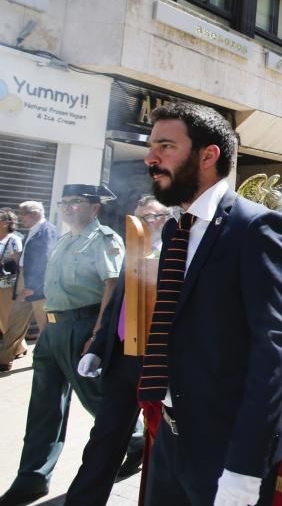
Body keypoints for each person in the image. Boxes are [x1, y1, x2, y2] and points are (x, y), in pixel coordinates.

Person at [140, 102, 282, 505]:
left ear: (208, 155)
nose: (150, 158)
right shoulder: (176, 228)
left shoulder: (257, 227)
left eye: (165, 146)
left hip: (227, 448)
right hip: (172, 439)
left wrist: (243, 469)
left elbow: (273, 350)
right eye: (151, 145)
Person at [0, 185, 124, 506]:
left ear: (94, 208)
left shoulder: (104, 239)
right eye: (64, 203)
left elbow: (112, 285)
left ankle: (134, 435)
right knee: (43, 406)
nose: (68, 208)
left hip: (82, 326)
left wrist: (98, 334)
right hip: (53, 329)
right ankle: (32, 478)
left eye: (76, 203)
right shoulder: (64, 239)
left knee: (96, 399)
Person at [65, 196, 172, 505]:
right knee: (105, 439)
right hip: (122, 360)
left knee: (166, 444)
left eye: (147, 218)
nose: (138, 225)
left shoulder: (177, 257)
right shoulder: (131, 255)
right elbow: (115, 308)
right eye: (135, 218)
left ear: (164, 219)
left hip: (159, 364)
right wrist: (97, 348)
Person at [0, 202, 57, 371]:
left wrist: (33, 286)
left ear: (34, 214)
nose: (20, 217)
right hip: (26, 279)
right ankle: (4, 358)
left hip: (37, 284)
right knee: (15, 319)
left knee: (44, 325)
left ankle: (45, 360)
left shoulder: (47, 230)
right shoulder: (34, 230)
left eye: (23, 214)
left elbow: (44, 259)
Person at [0, 209, 24, 364]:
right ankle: (19, 347)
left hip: (7, 284)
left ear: (7, 223)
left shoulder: (13, 239)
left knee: (6, 316)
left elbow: (18, 264)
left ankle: (17, 347)